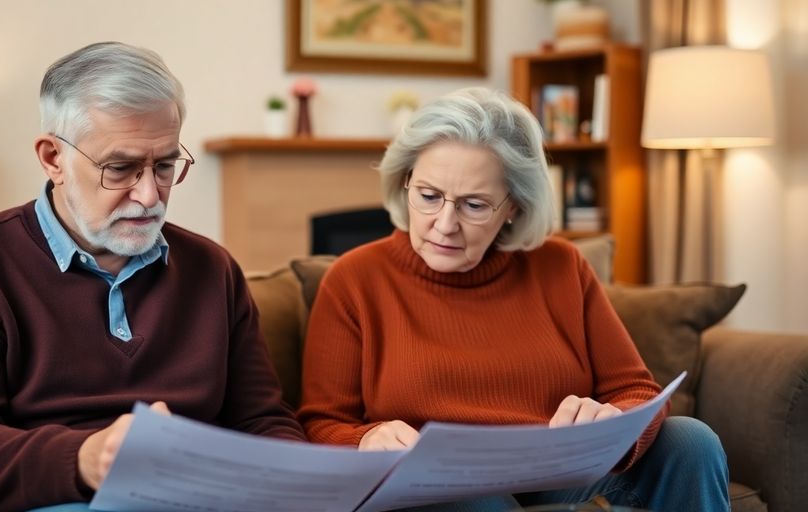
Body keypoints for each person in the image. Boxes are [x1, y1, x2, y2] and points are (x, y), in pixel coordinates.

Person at [0, 42, 304, 511]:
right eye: (121, 168)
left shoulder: (213, 269)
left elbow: (263, 422)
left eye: (166, 166)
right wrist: (84, 459)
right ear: (53, 158)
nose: (150, 196)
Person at [297, 87, 729, 511]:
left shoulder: (561, 267)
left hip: (561, 479)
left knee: (691, 441)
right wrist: (365, 439)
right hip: (440, 490)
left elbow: (635, 389)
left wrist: (613, 422)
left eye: (474, 205)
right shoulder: (354, 280)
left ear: (514, 208)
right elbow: (321, 422)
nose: (444, 224)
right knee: (467, 496)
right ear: (404, 181)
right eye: (428, 196)